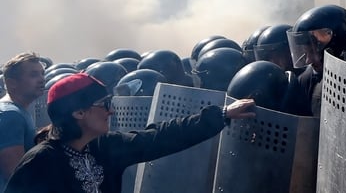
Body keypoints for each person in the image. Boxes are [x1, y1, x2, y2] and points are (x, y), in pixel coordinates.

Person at [4, 72, 255, 193]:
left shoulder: (105, 146)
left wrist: (221, 114)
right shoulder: (40, 162)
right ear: (79, 113)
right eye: (105, 104)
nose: (111, 111)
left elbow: (160, 137)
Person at [0, 53, 45, 190]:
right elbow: (15, 173)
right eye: (33, 75)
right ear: (11, 83)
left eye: (42, 73)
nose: (42, 79)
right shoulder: (11, 115)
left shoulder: (17, 111)